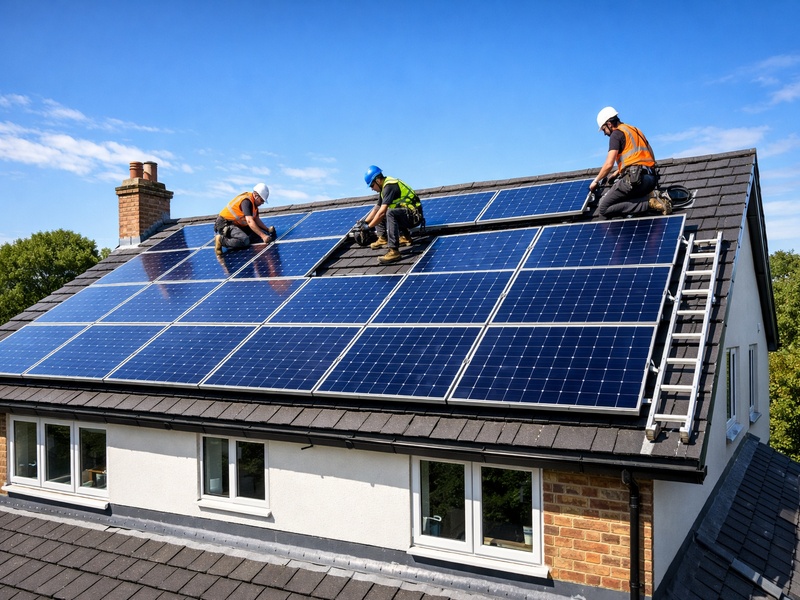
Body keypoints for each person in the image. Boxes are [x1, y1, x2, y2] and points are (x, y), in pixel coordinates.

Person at [588, 107, 671, 219]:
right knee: (624, 201)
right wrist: (618, 172)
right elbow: (647, 156)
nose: (604, 133)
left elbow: (608, 164)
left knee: (604, 208)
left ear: (609, 124)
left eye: (604, 129)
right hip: (651, 179)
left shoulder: (616, 134)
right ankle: (650, 197)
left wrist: (595, 181)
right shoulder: (635, 130)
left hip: (636, 180)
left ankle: (650, 203)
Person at [359, 165, 424, 264]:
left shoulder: (389, 186)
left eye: (372, 185)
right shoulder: (383, 188)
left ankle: (394, 251)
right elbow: (377, 209)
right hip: (406, 215)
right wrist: (364, 223)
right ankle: (386, 238)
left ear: (378, 180)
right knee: (387, 211)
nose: (372, 189)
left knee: (389, 212)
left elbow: (381, 213)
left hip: (414, 216)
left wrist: (369, 227)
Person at [214, 183, 276, 255]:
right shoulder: (246, 202)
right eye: (261, 200)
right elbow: (250, 221)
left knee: (256, 235)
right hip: (225, 223)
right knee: (244, 240)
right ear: (256, 196)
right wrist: (263, 236)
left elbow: (256, 219)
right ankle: (221, 240)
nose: (262, 203)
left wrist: (267, 230)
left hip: (236, 225)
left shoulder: (254, 205)